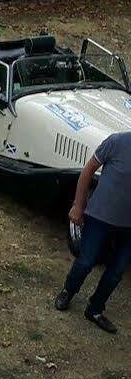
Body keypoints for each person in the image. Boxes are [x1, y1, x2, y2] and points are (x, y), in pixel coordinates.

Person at [56, 131, 131, 334]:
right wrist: (78, 205)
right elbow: (88, 171)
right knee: (86, 261)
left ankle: (95, 309)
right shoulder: (117, 142)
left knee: (116, 272)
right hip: (99, 218)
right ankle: (68, 291)